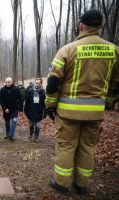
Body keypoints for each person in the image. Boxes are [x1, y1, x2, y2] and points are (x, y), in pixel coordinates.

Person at [45, 10, 119, 195]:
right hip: (95, 113)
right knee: (88, 147)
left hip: (68, 113)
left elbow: (53, 81)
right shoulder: (114, 51)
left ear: (81, 26)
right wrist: (108, 103)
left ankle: (61, 183)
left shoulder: (68, 50)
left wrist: (50, 105)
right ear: (101, 27)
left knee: (66, 146)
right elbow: (116, 83)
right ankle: (81, 185)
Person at [24, 78, 46, 143]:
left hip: (39, 111)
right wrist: (25, 110)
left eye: (38, 83)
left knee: (38, 125)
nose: (37, 84)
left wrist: (45, 112)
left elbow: (45, 103)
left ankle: (36, 137)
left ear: (41, 84)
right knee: (31, 124)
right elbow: (27, 101)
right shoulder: (30, 91)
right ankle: (31, 133)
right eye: (36, 83)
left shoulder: (43, 92)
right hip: (31, 111)